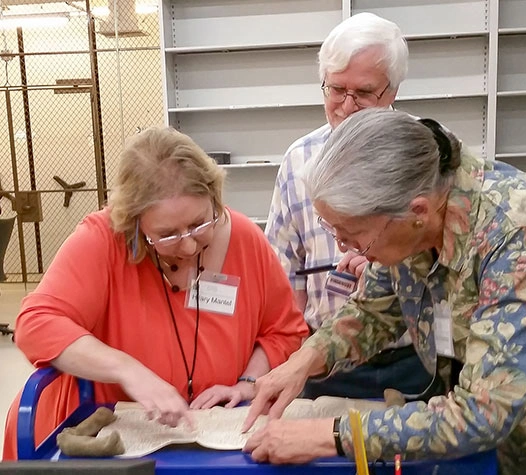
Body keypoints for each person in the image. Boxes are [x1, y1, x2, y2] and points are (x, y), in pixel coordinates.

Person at [242, 109, 526, 473]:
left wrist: (330, 435)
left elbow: (485, 411)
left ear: (416, 212)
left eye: (353, 236)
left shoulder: (517, 231)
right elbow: (372, 311)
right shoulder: (412, 214)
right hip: (512, 446)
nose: (344, 249)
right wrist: (300, 364)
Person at [2, 127, 308, 460]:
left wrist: (247, 382)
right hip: (101, 433)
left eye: (199, 224)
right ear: (133, 224)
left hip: (210, 440)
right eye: (166, 235)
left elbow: (283, 330)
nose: (189, 244)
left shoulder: (245, 239)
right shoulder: (102, 241)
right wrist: (128, 371)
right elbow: (36, 323)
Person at [265, 12, 437, 400]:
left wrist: (393, 265)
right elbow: (283, 274)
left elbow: (454, 273)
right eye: (335, 89)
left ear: (392, 90)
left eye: (363, 92)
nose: (346, 106)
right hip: (325, 360)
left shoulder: (427, 156)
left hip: (413, 359)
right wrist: (292, 356)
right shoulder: (297, 161)